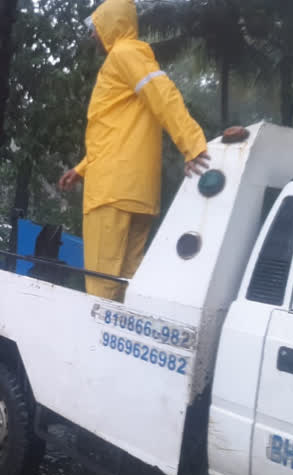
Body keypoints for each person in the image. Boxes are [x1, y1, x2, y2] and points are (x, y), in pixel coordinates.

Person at [58, 0, 210, 301]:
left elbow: (162, 95)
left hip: (111, 192)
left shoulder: (124, 54)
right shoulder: (130, 58)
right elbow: (115, 134)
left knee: (101, 287)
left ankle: (98, 343)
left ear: (111, 25)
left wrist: (193, 145)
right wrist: (81, 169)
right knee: (127, 285)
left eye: (96, 27)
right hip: (137, 192)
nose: (93, 36)